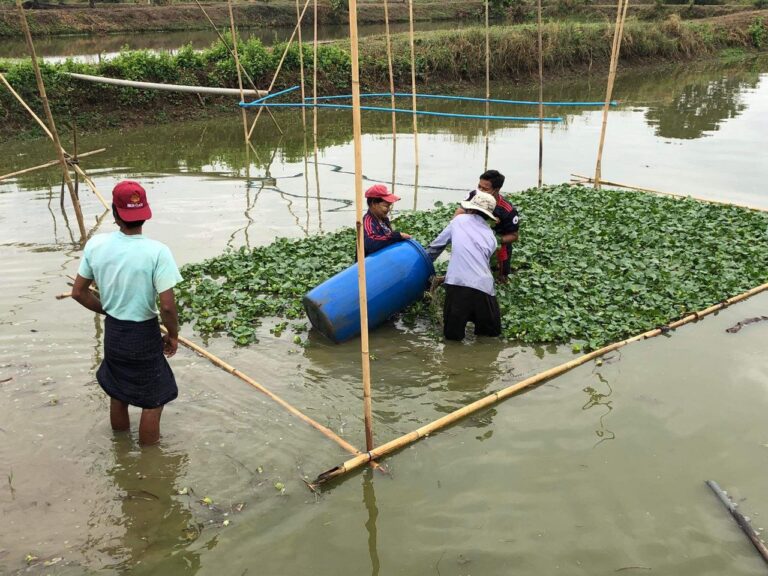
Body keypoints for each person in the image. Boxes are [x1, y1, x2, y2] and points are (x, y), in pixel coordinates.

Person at [71, 180, 183, 446]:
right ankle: (149, 463)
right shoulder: (157, 252)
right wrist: (173, 335)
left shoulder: (96, 246)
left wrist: (108, 309)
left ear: (115, 212)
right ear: (145, 212)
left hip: (115, 332)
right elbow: (167, 306)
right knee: (154, 400)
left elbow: (78, 292)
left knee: (118, 392)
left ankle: (120, 448)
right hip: (143, 334)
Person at [427, 191, 502, 341]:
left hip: (458, 286)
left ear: (471, 209)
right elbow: (479, 261)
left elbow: (436, 247)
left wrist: (423, 266)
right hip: (484, 288)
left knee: (453, 338)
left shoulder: (458, 221)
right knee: (488, 336)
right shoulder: (491, 236)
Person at [455, 169, 520, 280]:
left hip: (497, 249)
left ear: (497, 190)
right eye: (479, 186)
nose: (480, 191)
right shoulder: (473, 196)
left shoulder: (507, 210)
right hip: (472, 242)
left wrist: (492, 240)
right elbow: (459, 212)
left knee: (499, 279)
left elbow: (514, 235)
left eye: (485, 189)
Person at [363, 184, 411, 256]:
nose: (389, 209)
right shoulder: (368, 221)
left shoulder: (384, 219)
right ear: (374, 204)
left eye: (389, 206)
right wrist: (397, 236)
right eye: (386, 206)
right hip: (370, 263)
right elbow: (371, 243)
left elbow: (387, 239)